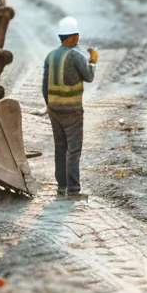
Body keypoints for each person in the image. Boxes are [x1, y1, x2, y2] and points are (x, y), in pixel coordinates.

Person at [42, 16, 96, 196]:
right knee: (73, 149)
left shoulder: (50, 56)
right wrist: (93, 61)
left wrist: (50, 106)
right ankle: (73, 188)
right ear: (72, 37)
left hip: (55, 111)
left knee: (60, 147)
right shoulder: (74, 56)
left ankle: (61, 186)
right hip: (72, 111)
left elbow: (45, 86)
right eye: (76, 35)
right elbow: (88, 76)